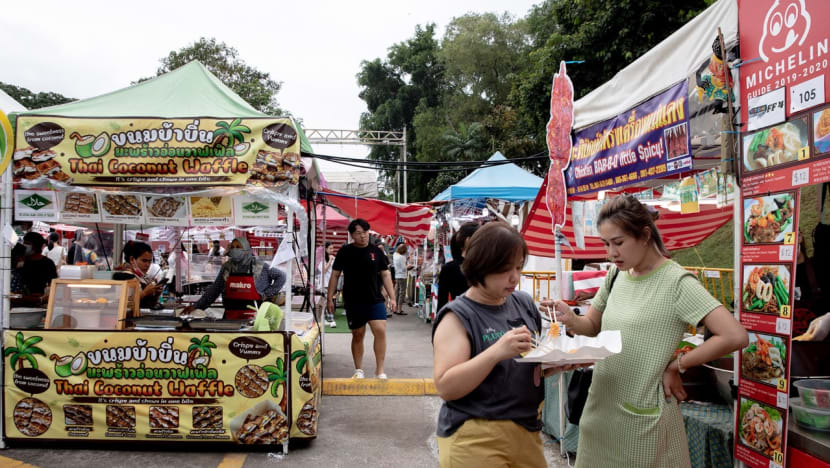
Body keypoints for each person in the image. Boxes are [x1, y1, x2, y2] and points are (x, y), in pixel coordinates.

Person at [548, 195, 748, 468]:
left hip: (643, 417)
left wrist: (677, 365)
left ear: (644, 235)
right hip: (600, 408)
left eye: (618, 243)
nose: (611, 253)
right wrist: (571, 318)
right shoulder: (616, 276)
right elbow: (592, 326)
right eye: (606, 244)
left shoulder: (676, 282)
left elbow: (735, 336)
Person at [432, 222, 552, 467]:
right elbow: (446, 386)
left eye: (519, 267)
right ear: (480, 265)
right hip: (475, 436)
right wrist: (496, 352)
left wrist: (552, 365)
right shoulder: (458, 316)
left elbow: (525, 365)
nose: (514, 277)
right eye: (505, 269)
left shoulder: (523, 304)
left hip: (526, 431)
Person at [327, 219, 395, 379]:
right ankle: (358, 369)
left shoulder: (377, 252)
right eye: (359, 233)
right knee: (358, 334)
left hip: (375, 298)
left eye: (365, 232)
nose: (363, 236)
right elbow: (335, 275)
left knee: (380, 329)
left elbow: (385, 274)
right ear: (352, 235)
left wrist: (392, 297)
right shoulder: (345, 252)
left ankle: (380, 370)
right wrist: (330, 297)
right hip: (353, 300)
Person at [184, 237, 286, 319]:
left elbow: (282, 276)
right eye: (232, 247)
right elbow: (215, 289)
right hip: (230, 316)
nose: (234, 249)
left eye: (238, 247)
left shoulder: (259, 265)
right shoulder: (227, 267)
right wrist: (196, 306)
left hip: (254, 316)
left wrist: (266, 294)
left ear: (246, 249)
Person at [437, 222, 479, 311]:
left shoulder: (484, 266)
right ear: (468, 240)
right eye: (480, 239)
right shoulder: (449, 269)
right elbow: (442, 303)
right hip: (460, 316)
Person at [115, 241, 165, 309]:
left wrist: (156, 294)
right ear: (132, 259)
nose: (147, 265)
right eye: (144, 261)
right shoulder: (125, 277)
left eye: (149, 261)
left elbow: (147, 304)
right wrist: (144, 293)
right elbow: (124, 304)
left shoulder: (141, 277)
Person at [19, 232, 58, 306]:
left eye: (27, 243)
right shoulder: (21, 262)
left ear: (35, 245)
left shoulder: (48, 263)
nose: (24, 246)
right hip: (21, 302)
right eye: (24, 243)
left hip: (41, 303)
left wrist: (44, 297)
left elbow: (53, 285)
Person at [315, 242, 337, 327]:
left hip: (331, 283)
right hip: (324, 284)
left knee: (330, 301)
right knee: (325, 301)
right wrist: (330, 261)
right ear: (326, 249)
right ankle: (328, 319)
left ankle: (329, 318)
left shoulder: (333, 258)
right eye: (330, 248)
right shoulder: (322, 259)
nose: (332, 250)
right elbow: (323, 270)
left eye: (333, 248)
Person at [392, 243, 410, 315]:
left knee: (397, 292)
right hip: (402, 276)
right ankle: (399, 309)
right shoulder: (401, 257)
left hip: (397, 275)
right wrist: (409, 266)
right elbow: (403, 268)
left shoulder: (395, 255)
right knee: (402, 293)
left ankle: (395, 308)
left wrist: (406, 259)